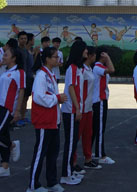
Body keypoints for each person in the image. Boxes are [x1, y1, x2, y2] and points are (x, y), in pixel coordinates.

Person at [28, 46, 67, 192]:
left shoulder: (49, 74)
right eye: (55, 57)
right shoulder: (41, 75)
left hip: (53, 120)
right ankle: (33, 185)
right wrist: (57, 98)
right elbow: (38, 97)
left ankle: (52, 181)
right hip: (44, 120)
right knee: (40, 153)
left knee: (52, 153)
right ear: (47, 59)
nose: (58, 59)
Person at [0, 45, 25, 178]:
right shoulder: (5, 71)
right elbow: (0, 92)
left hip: (7, 108)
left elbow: (21, 91)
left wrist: (17, 111)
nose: (3, 57)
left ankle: (12, 145)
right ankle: (5, 167)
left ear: (14, 58)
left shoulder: (19, 72)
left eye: (6, 55)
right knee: (3, 135)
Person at [60, 40, 86, 186]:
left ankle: (69, 169)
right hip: (70, 110)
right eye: (84, 49)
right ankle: (65, 174)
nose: (86, 52)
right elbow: (71, 88)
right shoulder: (72, 68)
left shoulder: (77, 68)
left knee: (73, 141)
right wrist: (77, 108)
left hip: (74, 109)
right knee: (70, 142)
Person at [91, 47, 115, 165]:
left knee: (96, 128)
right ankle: (101, 155)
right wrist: (108, 57)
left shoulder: (99, 67)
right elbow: (112, 70)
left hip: (100, 99)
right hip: (99, 100)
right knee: (100, 128)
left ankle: (91, 151)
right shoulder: (97, 67)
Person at [80, 46, 98, 171]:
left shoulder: (90, 69)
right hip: (82, 107)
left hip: (88, 107)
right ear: (90, 56)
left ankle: (88, 159)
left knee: (88, 134)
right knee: (77, 135)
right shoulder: (81, 70)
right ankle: (72, 162)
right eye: (94, 55)